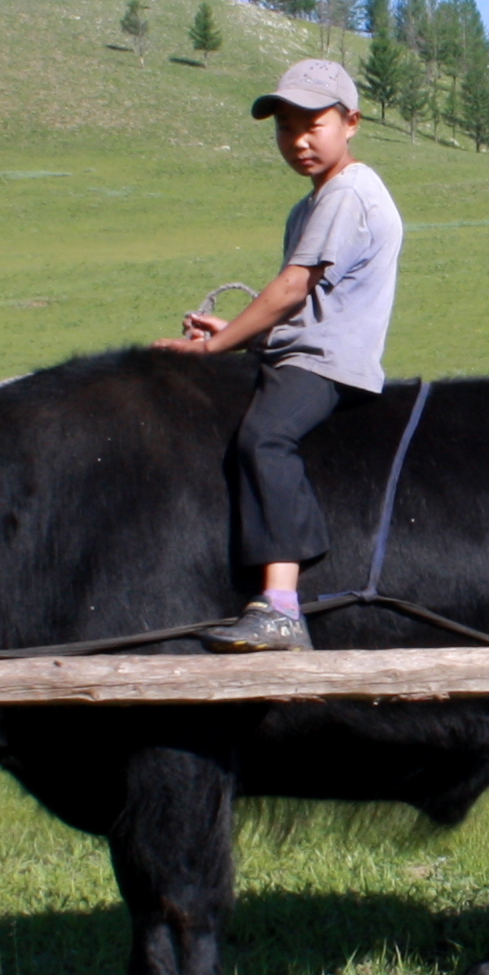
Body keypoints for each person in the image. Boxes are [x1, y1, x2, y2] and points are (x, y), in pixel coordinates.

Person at [152, 57, 405, 651]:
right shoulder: (310, 206)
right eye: (284, 128)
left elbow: (293, 289)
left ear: (352, 123)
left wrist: (221, 342)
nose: (298, 140)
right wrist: (242, 332)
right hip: (300, 350)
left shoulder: (349, 194)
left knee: (265, 438)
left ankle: (283, 607)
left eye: (312, 123)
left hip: (327, 363)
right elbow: (305, 305)